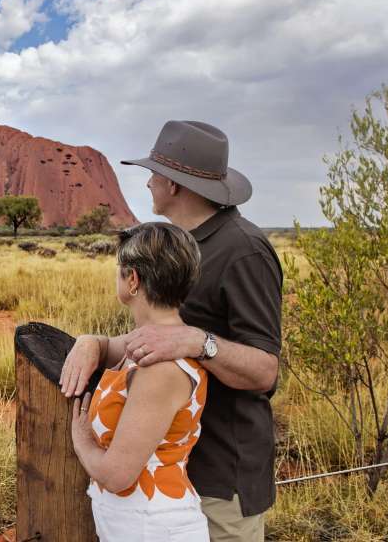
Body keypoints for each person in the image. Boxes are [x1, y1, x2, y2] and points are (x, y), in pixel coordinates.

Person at [61, 120, 282, 542]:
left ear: (175, 184)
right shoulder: (182, 246)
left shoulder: (243, 250)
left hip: (220, 478)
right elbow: (156, 338)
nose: (147, 184)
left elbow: (265, 370)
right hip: (168, 473)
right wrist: (95, 343)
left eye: (153, 173)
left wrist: (200, 342)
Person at [69, 221, 210, 541]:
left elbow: (117, 475)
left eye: (120, 269)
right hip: (141, 524)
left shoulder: (160, 368)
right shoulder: (150, 342)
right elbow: (108, 346)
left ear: (133, 279)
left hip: (154, 527)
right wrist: (89, 341)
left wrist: (82, 441)